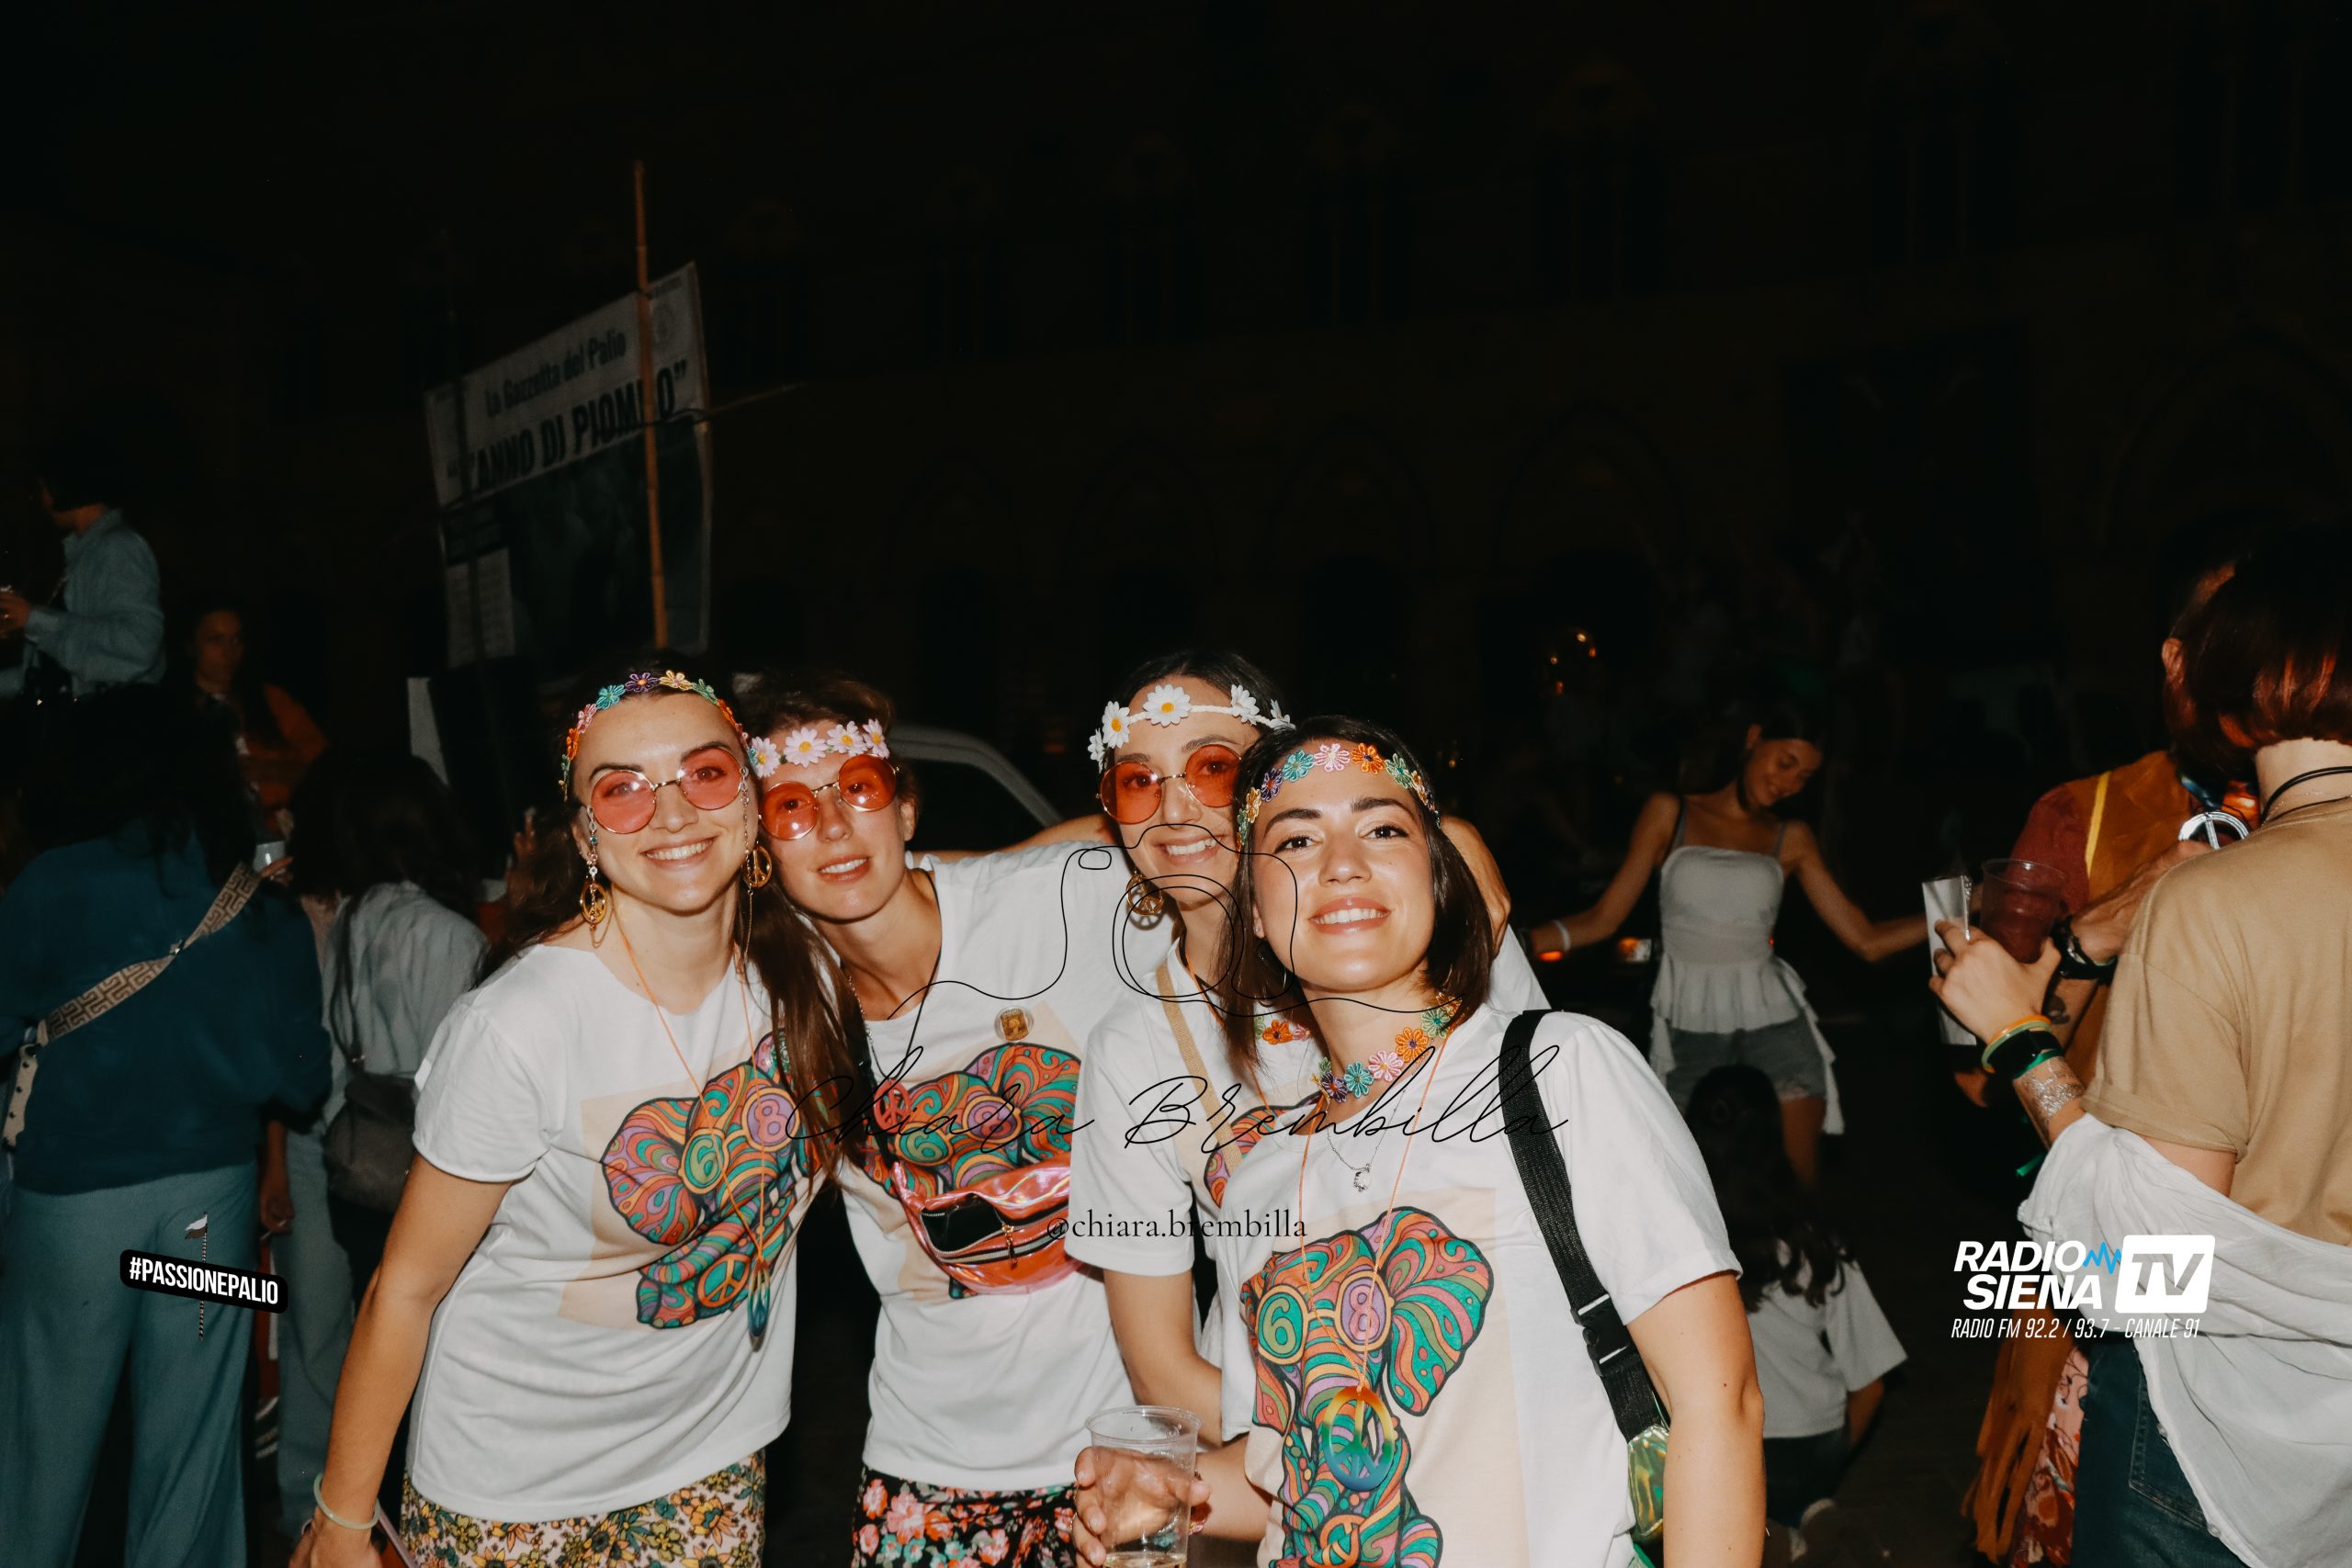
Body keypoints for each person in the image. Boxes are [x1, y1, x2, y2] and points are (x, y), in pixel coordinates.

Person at [1080, 716, 1766, 1567]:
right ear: (1254, 909)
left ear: (1440, 878)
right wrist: (1171, 1490)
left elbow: (1718, 1401)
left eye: (1382, 829)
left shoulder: (1559, 1071)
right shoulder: (1260, 1179)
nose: (1341, 863)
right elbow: (1293, 1476)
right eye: (1296, 840)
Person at [293, 665, 857, 1568]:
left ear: (752, 803)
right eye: (623, 789)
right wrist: (342, 1519)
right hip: (514, 1490)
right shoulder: (522, 1024)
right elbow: (405, 1287)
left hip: (710, 1465)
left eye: (706, 773)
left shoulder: (808, 980)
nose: (672, 812)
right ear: (588, 836)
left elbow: (982, 884)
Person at [1931, 527, 2352, 1568]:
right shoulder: (2097, 816)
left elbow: (2155, 1266)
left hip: (2222, 1433)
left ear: (2233, 684)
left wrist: (2018, 1040)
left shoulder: (2214, 901)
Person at [741, 672, 1169, 1568]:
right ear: (761, 849)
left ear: (905, 809)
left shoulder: (1054, 905)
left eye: (858, 788)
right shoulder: (774, 1004)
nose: (832, 824)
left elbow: (1192, 840)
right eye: (791, 806)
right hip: (926, 1469)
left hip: (1125, 1455)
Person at [1066, 650, 1550, 1441]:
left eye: (1213, 768)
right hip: (1296, 1453)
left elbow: (1556, 1167)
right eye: (1138, 780)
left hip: (1509, 1415)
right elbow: (1164, 1369)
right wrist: (1339, 1462)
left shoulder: (1426, 933)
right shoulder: (1132, 1052)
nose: (1175, 807)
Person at [0, 683, 330, 1568]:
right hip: (207, 1210)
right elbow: (303, 1079)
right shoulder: (261, 909)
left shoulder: (52, 884)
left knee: (43, 1440)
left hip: (74, 1205)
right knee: (193, 1448)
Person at [1958, 552, 2238, 1568]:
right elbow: (1978, 1073)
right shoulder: (2085, 817)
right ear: (2177, 661)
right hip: (2125, 1254)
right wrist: (2097, 933)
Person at [1529, 699, 1926, 1186]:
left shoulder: (1790, 836)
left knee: (1798, 1191)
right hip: (1688, 1027)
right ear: (1754, 739)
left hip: (1776, 1023)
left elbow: (1867, 941)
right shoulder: (1670, 812)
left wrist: (1959, 908)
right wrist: (1515, 939)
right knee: (1682, 1189)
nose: (1789, 784)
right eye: (1785, 763)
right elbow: (1602, 919)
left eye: (1804, 777)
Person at [264, 749, 487, 1539]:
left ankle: (321, 1518)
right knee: (420, 1347)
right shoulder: (451, 933)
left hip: (348, 1150)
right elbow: (463, 1072)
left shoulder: (354, 914)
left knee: (329, 1341)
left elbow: (327, 1042)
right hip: (425, 1163)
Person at [1685, 1064, 1904, 1561]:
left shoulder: (1686, 1249)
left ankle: (1769, 1535)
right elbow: (1873, 1383)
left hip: (1732, 1448)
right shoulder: (1815, 1244)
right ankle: (1813, 1511)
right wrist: (1831, 1459)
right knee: (1795, 1493)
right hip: (1814, 1448)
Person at [0, 427, 166, 702]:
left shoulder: (117, 547)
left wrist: (35, 618)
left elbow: (138, 644)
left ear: (60, 486)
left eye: (42, 488)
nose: (42, 500)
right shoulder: (85, 552)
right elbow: (54, 673)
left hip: (111, 721)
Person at [184, 599, 329, 825]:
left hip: (281, 830)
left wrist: (271, 770)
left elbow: (326, 768)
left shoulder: (272, 701)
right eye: (215, 640)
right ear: (190, 646)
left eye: (237, 640)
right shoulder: (173, 709)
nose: (229, 652)